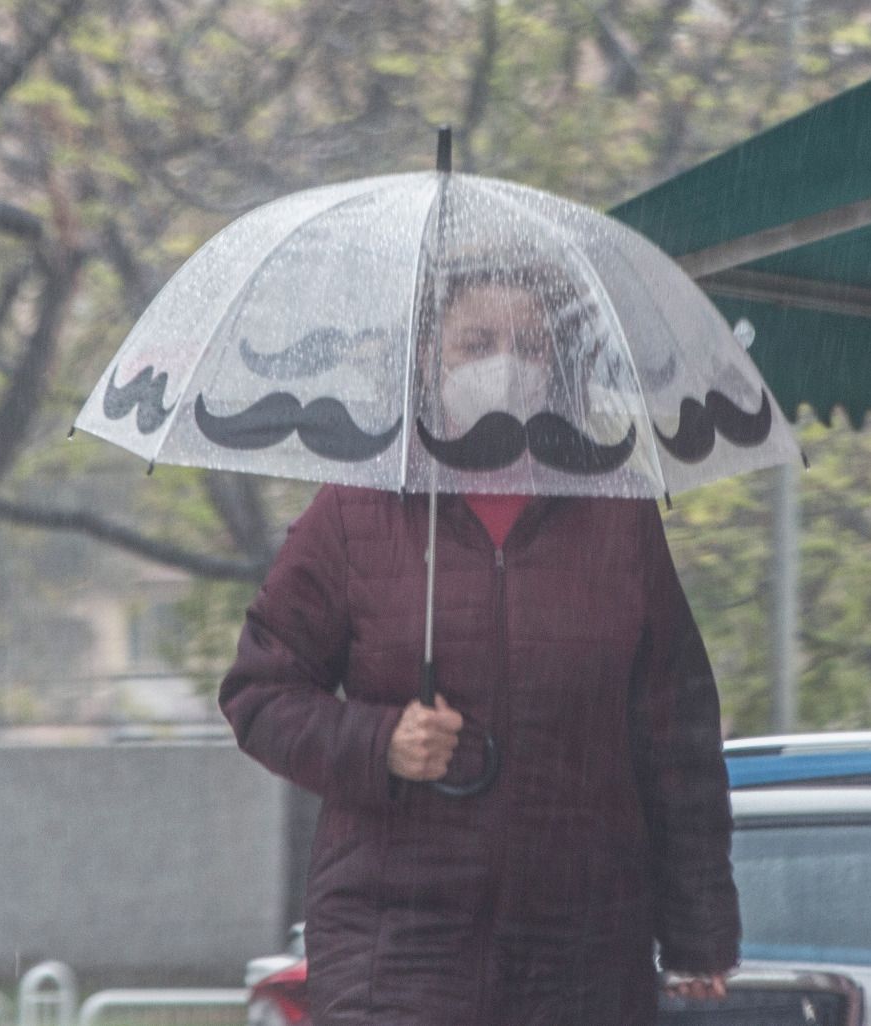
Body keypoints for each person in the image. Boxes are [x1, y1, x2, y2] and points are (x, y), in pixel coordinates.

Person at [219, 262, 739, 1026]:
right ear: (430, 358)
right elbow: (258, 694)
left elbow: (677, 734)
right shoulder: (357, 510)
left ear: (558, 367)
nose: (505, 364)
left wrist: (699, 931)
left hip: (583, 949)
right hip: (395, 949)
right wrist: (378, 743)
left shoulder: (615, 513)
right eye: (477, 342)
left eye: (530, 345)